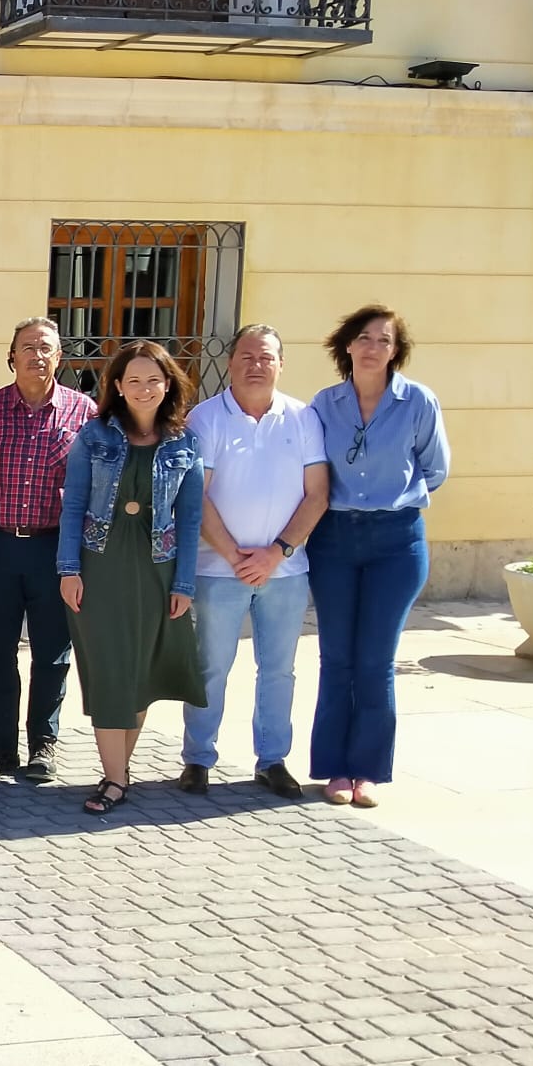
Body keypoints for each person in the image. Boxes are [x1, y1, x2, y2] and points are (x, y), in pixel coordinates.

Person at [307, 306, 450, 808]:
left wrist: (390, 503)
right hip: (335, 539)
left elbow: (435, 469)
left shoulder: (418, 403)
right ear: (347, 346)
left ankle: (366, 771)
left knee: (375, 662)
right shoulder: (325, 405)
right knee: (337, 659)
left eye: (383, 340)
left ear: (395, 351)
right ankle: (334, 771)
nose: (371, 347)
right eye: (363, 338)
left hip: (397, 541)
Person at [178, 325, 329, 799]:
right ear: (230, 361)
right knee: (210, 667)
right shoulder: (206, 418)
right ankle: (198, 759)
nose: (256, 365)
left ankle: (272, 760)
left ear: (281, 364)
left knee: (279, 669)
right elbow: (194, 498)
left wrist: (277, 552)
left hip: (285, 570)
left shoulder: (304, 419)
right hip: (218, 570)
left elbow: (318, 493)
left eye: (266, 357)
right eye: (246, 356)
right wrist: (233, 555)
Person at [58, 341, 206, 814]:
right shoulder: (94, 437)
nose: (144, 389)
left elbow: (189, 519)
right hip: (100, 565)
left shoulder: (184, 442)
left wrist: (184, 583)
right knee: (109, 670)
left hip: (157, 568)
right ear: (118, 387)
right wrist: (69, 570)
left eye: (154, 380)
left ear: (169, 385)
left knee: (141, 671)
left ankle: (118, 773)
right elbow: (73, 506)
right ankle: (115, 778)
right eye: (134, 380)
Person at [0, 318, 97, 781]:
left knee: (52, 653)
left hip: (55, 550)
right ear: (12, 356)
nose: (36, 356)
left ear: (59, 357)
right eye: (27, 347)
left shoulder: (86, 413)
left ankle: (44, 744)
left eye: (46, 348)